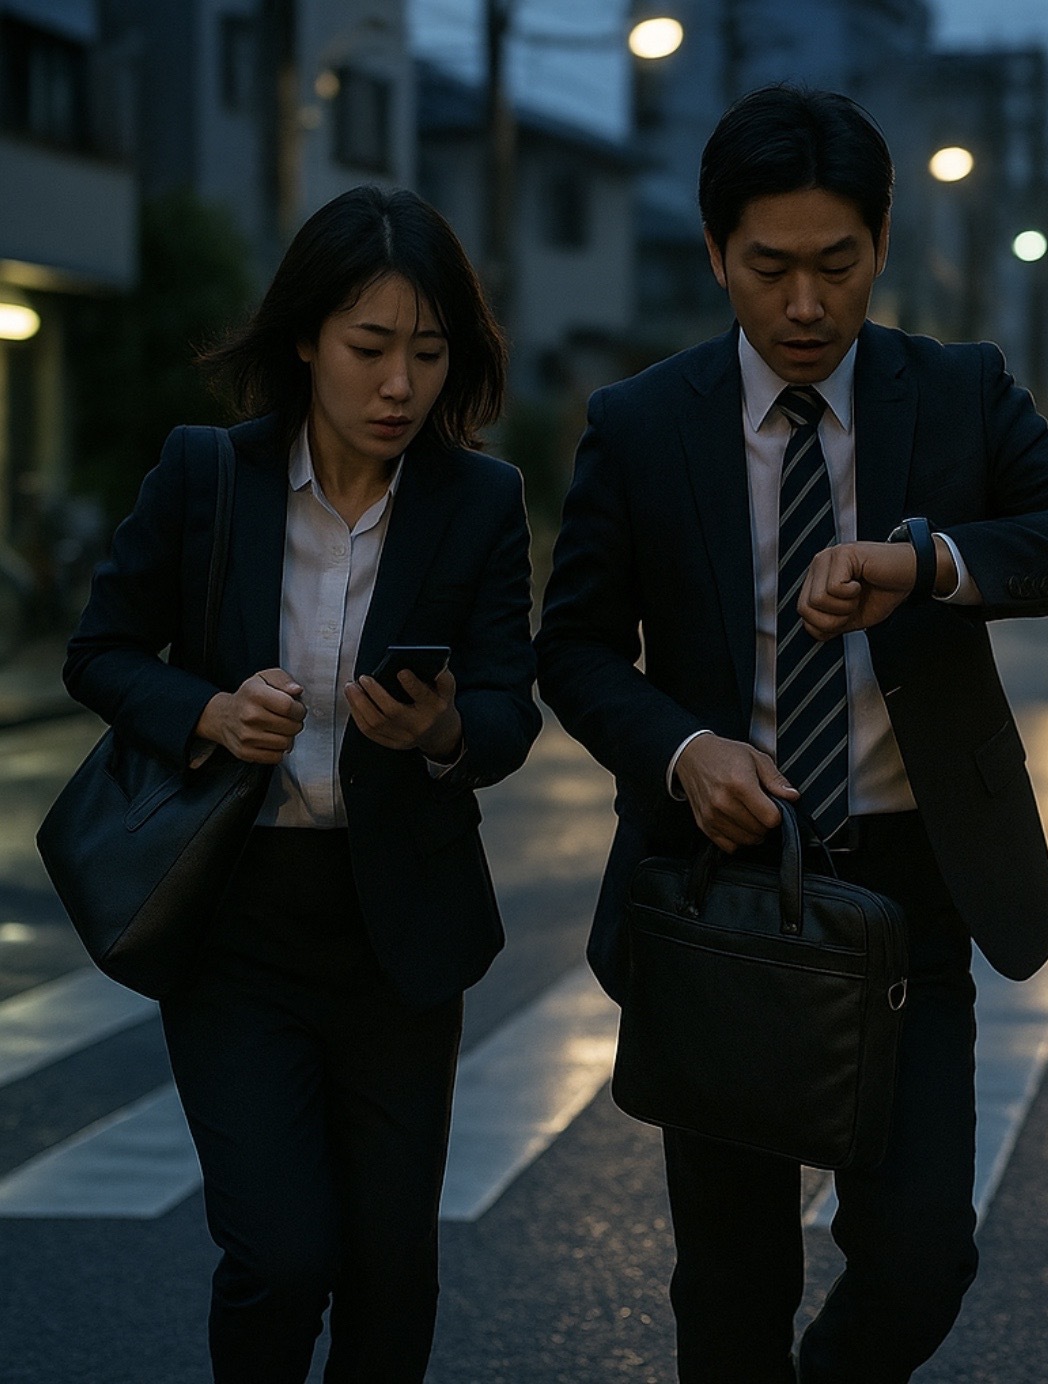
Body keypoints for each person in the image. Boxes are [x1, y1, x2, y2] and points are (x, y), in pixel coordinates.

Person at [535, 85, 1048, 1381]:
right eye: (769, 269)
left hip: (913, 891)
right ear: (716, 257)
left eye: (837, 265)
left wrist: (925, 563)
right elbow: (576, 650)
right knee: (732, 1286)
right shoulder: (644, 426)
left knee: (925, 1254)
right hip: (722, 892)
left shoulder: (959, 392)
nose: (805, 306)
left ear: (884, 244)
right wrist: (681, 751)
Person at [64, 186, 540, 1383]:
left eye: (428, 355)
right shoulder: (204, 476)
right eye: (370, 348)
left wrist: (441, 733)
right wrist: (210, 711)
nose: (399, 386)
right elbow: (101, 652)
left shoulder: (478, 501)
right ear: (304, 342)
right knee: (279, 1255)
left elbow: (507, 707)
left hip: (397, 932)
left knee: (391, 1269)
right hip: (236, 921)